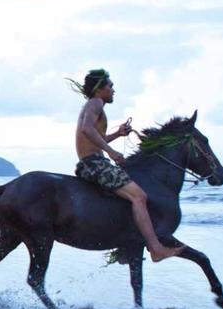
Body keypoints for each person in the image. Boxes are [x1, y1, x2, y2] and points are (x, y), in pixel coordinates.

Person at [69, 69, 184, 262]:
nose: (113, 90)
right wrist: (111, 152)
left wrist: (118, 134)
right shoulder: (96, 103)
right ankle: (156, 248)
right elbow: (87, 129)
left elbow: (93, 136)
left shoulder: (92, 105)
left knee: (128, 196)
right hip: (95, 163)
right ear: (99, 89)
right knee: (139, 196)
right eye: (110, 86)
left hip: (91, 162)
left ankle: (125, 243)